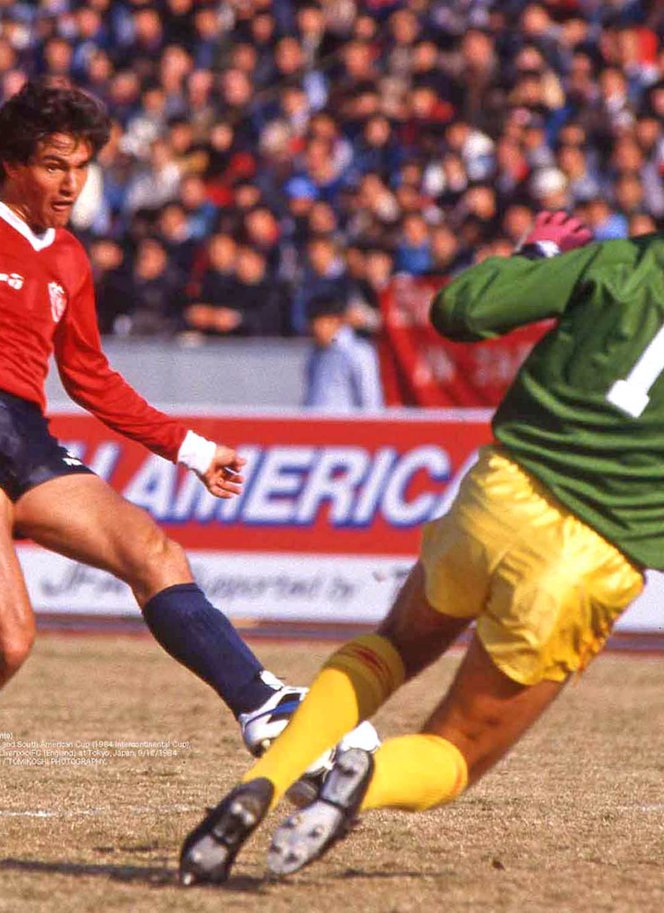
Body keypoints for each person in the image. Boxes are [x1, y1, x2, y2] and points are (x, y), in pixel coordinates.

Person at [0, 79, 376, 846]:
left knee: (154, 549)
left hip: (26, 434)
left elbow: (89, 376)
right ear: (10, 163)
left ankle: (262, 703)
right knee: (7, 640)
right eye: (57, 164)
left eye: (84, 166)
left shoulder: (67, 258)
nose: (72, 183)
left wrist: (188, 448)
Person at [178, 209, 654, 884]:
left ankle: (265, 778)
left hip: (502, 493)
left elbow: (461, 308)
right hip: (589, 555)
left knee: (393, 647)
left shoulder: (623, 261)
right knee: (453, 751)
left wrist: (540, 252)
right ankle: (357, 786)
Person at [301, 293, 384, 411]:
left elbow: (370, 400)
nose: (317, 330)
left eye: (321, 324)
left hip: (347, 426)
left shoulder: (358, 352)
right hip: (314, 426)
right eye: (313, 325)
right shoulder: (314, 355)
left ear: (336, 321)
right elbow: (311, 395)